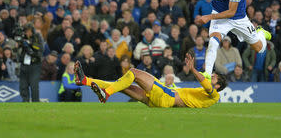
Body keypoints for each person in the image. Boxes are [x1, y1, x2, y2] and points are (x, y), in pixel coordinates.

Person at [173, 0, 271, 79]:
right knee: (213, 42)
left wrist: (208, 17)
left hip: (238, 18)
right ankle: (207, 74)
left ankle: (260, 32)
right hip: (218, 14)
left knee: (259, 49)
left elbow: (231, 12)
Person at [75, 52, 227, 108]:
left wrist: (193, 69)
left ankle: (106, 93)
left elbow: (207, 86)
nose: (210, 76)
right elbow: (206, 85)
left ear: (218, 85)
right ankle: (85, 80)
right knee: (121, 85)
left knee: (133, 72)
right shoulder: (207, 96)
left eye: (213, 77)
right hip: (157, 102)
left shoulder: (215, 95)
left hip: (167, 95)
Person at [18, 23, 44, 102]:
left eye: (28, 31)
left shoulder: (37, 37)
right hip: (24, 64)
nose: (27, 33)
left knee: (34, 85)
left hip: (35, 64)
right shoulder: (22, 38)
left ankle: (35, 101)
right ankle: (25, 101)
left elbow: (40, 48)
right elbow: (17, 49)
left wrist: (29, 43)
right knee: (23, 85)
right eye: (26, 31)